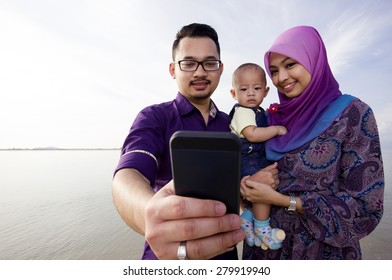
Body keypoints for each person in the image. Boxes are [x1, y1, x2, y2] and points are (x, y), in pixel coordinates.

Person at [112, 23, 279, 260]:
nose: (200, 72)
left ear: (220, 70)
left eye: (209, 63)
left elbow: (239, 188)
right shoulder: (155, 117)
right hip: (167, 256)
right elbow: (128, 174)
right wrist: (148, 215)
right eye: (188, 63)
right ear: (172, 69)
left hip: (226, 256)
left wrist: (251, 185)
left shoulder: (231, 124)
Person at [240, 26, 384, 260]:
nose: (281, 78)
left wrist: (285, 201)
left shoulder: (352, 115)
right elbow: (242, 162)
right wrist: (245, 185)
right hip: (265, 252)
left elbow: (366, 208)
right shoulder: (265, 120)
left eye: (290, 65)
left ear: (314, 60)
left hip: (324, 254)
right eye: (274, 70)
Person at [229, 63, 287, 250]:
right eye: (244, 89)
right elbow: (252, 135)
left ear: (265, 91)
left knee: (260, 190)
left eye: (257, 88)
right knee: (262, 191)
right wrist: (276, 129)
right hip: (249, 159)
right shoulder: (243, 112)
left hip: (255, 158)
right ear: (233, 94)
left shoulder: (257, 112)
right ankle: (262, 227)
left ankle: (246, 219)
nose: (251, 93)